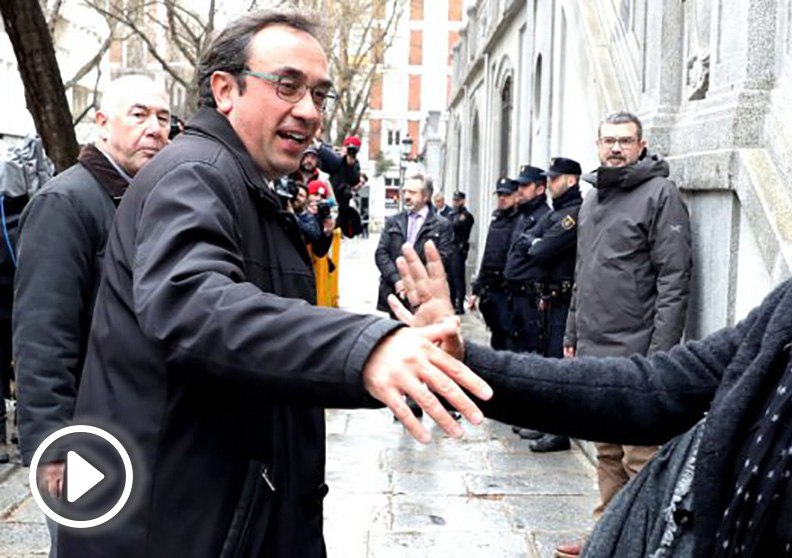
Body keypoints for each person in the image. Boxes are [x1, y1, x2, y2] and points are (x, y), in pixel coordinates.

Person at [392, 46, 792, 558]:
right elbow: (659, 386)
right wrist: (468, 358)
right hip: (598, 342)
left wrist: (654, 339)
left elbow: (673, 283)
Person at [61, 11, 491, 557]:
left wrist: (407, 353)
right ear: (225, 89)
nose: (309, 111)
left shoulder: (249, 185)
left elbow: (271, 349)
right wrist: (365, 348)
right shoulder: (192, 173)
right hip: (177, 526)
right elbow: (194, 305)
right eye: (287, 86)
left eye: (319, 93)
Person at [12, 74, 171, 557]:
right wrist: (52, 449)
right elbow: (42, 337)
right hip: (84, 439)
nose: (155, 129)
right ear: (101, 124)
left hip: (134, 433)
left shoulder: (145, 199)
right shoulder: (67, 201)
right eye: (139, 114)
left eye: (164, 118)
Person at [556, 111, 692, 555]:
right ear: (597, 145)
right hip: (595, 347)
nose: (616, 148)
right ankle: (606, 536)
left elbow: (674, 277)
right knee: (607, 453)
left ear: (641, 145)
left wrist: (661, 355)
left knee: (640, 458)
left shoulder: (660, 193)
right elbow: (584, 271)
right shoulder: (592, 201)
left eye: (625, 141)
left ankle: (641, 544)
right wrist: (572, 330)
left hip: (639, 352)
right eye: (609, 140)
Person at [511, 157, 583, 454]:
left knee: (557, 363)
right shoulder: (555, 213)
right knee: (544, 360)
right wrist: (534, 242)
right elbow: (523, 241)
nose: (550, 184)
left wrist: (536, 243)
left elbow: (542, 251)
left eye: (554, 179)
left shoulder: (572, 215)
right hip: (547, 299)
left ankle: (558, 430)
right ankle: (545, 422)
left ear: (571, 181)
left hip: (563, 300)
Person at [375, 174, 455, 316]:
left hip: (426, 296)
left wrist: (415, 282)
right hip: (396, 293)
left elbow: (444, 258)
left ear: (426, 196)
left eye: (412, 192)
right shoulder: (393, 221)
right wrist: (398, 280)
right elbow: (381, 253)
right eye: (404, 191)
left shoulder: (442, 225)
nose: (406, 196)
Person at [503, 164, 552, 354]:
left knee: (531, 351)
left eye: (525, 186)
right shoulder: (523, 215)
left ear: (540, 189)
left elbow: (544, 255)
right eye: (519, 187)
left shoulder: (545, 217)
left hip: (530, 297)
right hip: (515, 296)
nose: (520, 191)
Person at [468, 178, 518, 350]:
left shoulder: (519, 220)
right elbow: (488, 255)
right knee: (496, 335)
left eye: (507, 195)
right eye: (500, 195)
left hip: (506, 289)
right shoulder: (496, 219)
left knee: (508, 336)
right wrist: (476, 289)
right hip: (491, 289)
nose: (502, 198)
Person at [448, 191, 474, 314]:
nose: (455, 202)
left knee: (458, 277)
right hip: (450, 248)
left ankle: (459, 303)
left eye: (458, 200)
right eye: (454, 200)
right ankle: (452, 301)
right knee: (450, 277)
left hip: (459, 249)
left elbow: (455, 225)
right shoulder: (452, 214)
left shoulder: (466, 215)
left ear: (463, 201)